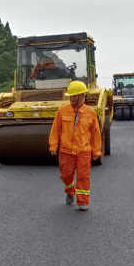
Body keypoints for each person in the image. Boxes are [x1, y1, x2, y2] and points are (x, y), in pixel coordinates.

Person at [49, 81, 102, 211]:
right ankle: (70, 190)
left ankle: (83, 202)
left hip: (83, 151)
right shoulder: (62, 111)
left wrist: (96, 151)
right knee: (66, 175)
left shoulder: (90, 113)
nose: (72, 98)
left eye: (74, 96)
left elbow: (95, 134)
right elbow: (55, 129)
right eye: (70, 96)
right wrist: (53, 145)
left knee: (83, 177)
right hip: (66, 150)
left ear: (82, 96)